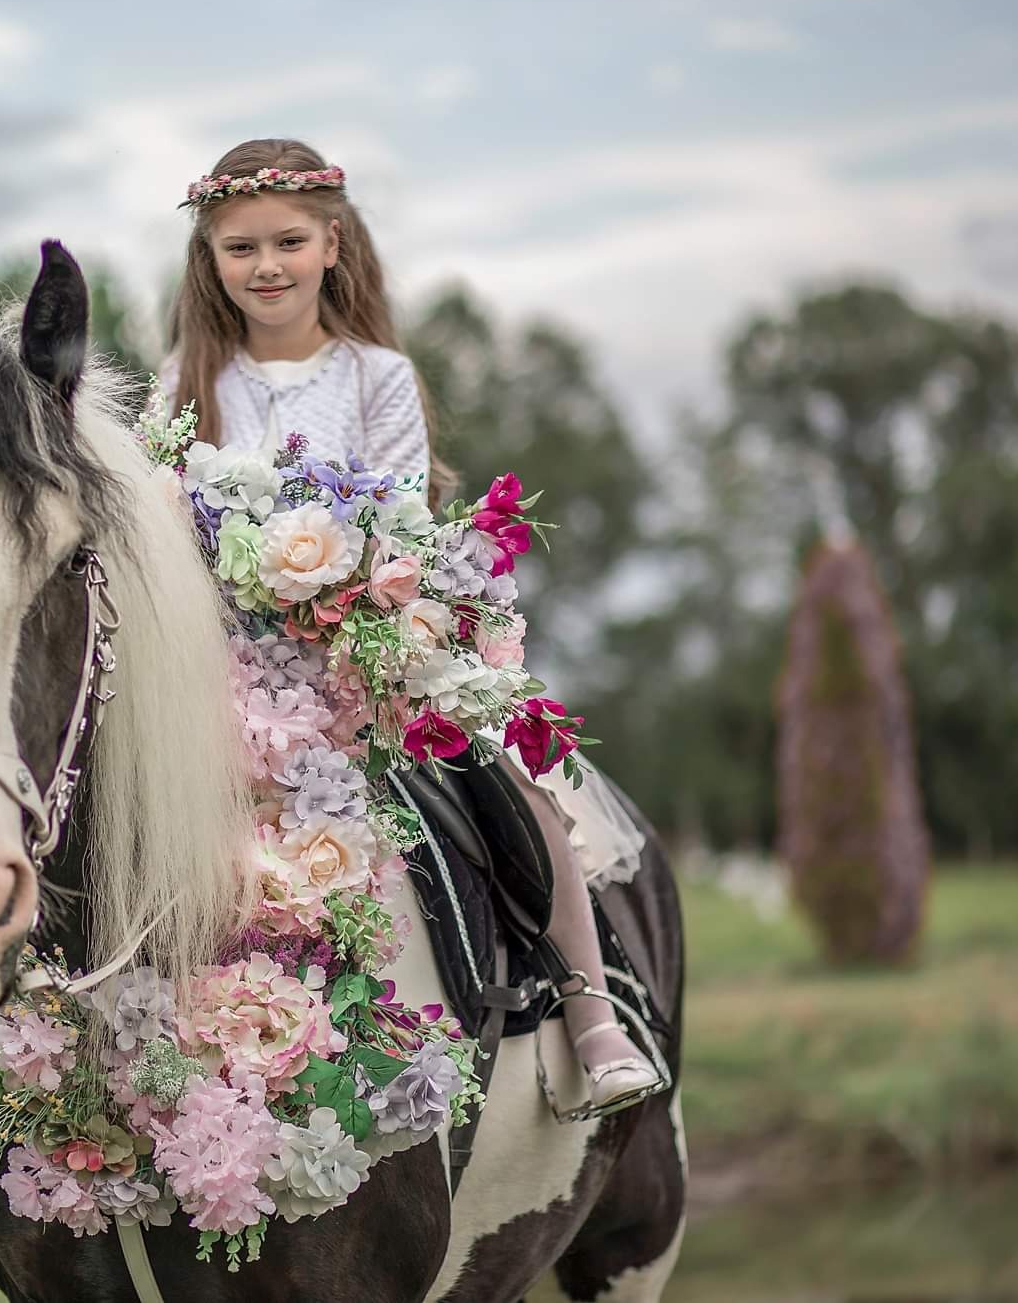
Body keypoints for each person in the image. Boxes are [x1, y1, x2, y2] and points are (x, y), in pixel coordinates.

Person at [160, 137, 663, 1113]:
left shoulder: (372, 376)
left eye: (287, 242)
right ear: (210, 263)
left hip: (360, 636)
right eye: (240, 249)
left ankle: (589, 1015)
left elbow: (392, 511)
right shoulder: (189, 379)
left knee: (516, 784)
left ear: (331, 244)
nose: (265, 267)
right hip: (222, 655)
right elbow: (161, 510)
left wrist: (346, 587)